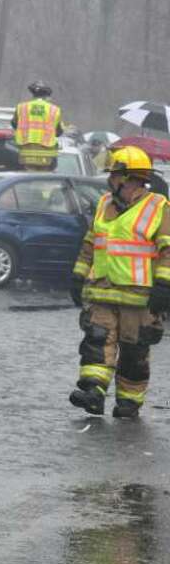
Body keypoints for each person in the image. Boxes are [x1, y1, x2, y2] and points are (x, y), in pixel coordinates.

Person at [68, 147, 170, 418]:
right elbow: (91, 243)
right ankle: (93, 392)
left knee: (134, 354)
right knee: (96, 341)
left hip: (139, 298)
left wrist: (164, 285)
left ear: (129, 178)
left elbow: (168, 250)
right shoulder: (104, 204)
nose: (110, 179)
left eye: (114, 174)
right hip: (102, 291)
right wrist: (79, 275)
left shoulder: (158, 207)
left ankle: (129, 402)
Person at [11, 80, 63, 171]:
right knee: (44, 181)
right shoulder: (54, 109)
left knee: (28, 179)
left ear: (33, 95)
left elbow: (14, 124)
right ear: (47, 96)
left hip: (26, 153)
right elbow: (59, 132)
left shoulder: (22, 107)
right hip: (46, 155)